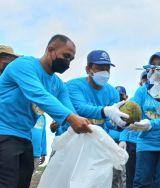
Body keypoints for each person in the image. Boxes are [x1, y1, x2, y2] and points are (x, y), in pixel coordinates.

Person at [0, 34, 92, 188]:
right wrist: (71, 118)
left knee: (22, 184)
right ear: (51, 49)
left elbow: (70, 110)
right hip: (4, 133)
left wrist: (87, 127)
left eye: (71, 59)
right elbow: (38, 95)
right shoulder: (24, 65)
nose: (68, 62)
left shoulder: (58, 85)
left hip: (25, 138)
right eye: (66, 56)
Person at [65, 50, 129, 188]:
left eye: (107, 68)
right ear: (88, 69)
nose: (105, 72)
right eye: (100, 68)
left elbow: (109, 122)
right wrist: (105, 111)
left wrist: (121, 124)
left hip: (97, 146)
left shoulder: (112, 92)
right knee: (67, 181)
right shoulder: (73, 86)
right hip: (72, 143)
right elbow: (80, 108)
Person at [128, 52, 160, 188]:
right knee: (141, 182)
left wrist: (150, 124)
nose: (156, 68)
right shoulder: (142, 91)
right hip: (146, 142)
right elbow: (132, 107)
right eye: (153, 65)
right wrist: (122, 118)